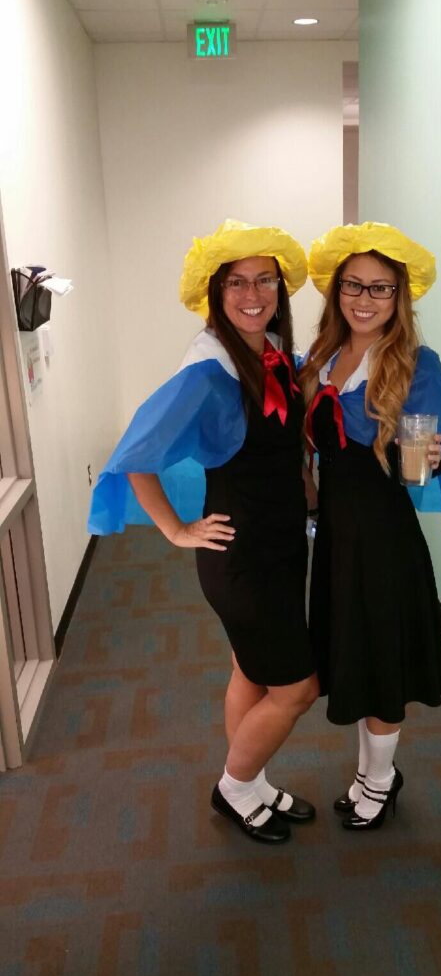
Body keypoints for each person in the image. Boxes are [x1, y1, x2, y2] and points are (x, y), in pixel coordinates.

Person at [88, 219, 319, 844]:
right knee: (298, 688)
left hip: (278, 546)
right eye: (237, 282)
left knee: (250, 670)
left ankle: (255, 781)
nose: (253, 293)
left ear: (279, 287)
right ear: (216, 292)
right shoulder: (210, 370)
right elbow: (133, 454)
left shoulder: (269, 351)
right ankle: (236, 787)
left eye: (264, 280)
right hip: (240, 556)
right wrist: (174, 529)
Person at [300, 221, 441, 831]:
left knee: (380, 661)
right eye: (353, 285)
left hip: (383, 541)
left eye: (380, 289)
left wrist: (425, 458)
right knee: (354, 656)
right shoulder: (323, 356)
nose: (364, 298)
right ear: (337, 291)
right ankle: (368, 772)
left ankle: (378, 781)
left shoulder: (416, 364)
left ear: (399, 297)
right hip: (335, 537)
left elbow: (412, 473)